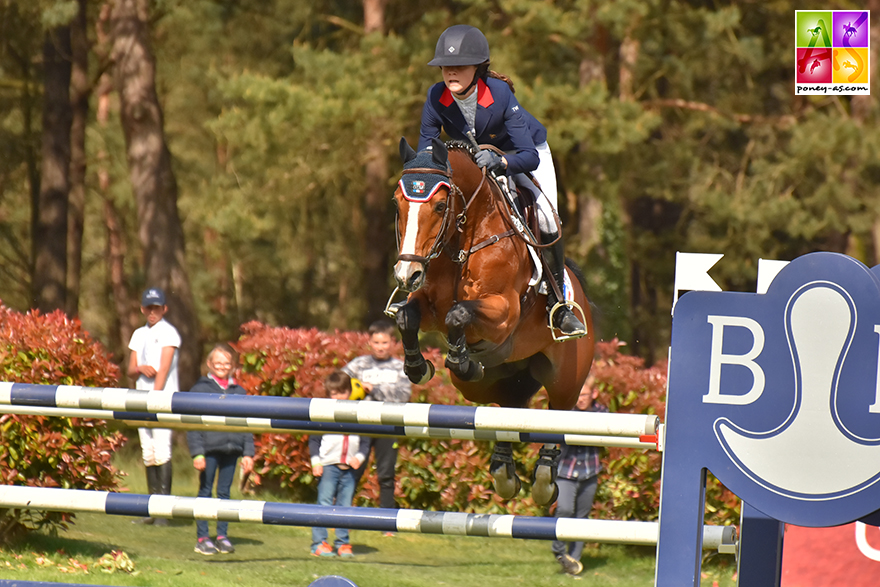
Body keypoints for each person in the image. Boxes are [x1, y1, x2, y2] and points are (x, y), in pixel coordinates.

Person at [418, 24, 586, 339]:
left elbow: (528, 156)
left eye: (460, 67)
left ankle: (558, 304)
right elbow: (427, 148)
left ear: (478, 69)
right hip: (474, 159)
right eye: (446, 67)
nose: (451, 73)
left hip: (523, 153)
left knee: (547, 218)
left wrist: (501, 161)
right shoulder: (435, 96)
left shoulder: (499, 95)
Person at [187, 343, 255, 555]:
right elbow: (192, 424)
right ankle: (203, 537)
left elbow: (246, 423)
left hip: (232, 449)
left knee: (224, 493)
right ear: (209, 364)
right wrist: (197, 452)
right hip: (208, 450)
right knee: (205, 491)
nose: (222, 366)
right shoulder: (199, 389)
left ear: (233, 366)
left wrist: (248, 452)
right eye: (217, 362)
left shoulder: (239, 391)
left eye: (226, 363)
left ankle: (222, 536)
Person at [343, 320, 411, 523]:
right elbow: (338, 383)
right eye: (376, 342)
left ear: (393, 343)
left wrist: (375, 389)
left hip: (388, 427)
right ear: (370, 342)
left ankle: (386, 522)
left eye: (385, 342)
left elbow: (403, 395)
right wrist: (354, 389)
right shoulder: (359, 364)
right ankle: (342, 517)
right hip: (361, 424)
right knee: (353, 469)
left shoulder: (401, 367)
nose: (381, 347)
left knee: (386, 475)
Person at [127, 287, 180, 526]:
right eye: (148, 307)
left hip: (162, 398)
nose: (152, 312)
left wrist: (155, 399)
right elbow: (130, 369)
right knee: (148, 451)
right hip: (141, 397)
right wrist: (140, 368)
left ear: (163, 309)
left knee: (162, 450)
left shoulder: (169, 333)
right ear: (142, 309)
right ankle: (151, 508)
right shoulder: (138, 334)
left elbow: (165, 368)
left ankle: (164, 512)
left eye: (156, 308)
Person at [309, 370, 371, 558]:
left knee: (345, 507)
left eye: (341, 392)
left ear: (349, 392)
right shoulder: (324, 414)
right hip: (328, 466)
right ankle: (319, 543)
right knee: (324, 504)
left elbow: (366, 441)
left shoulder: (357, 414)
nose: (337, 397)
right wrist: (316, 462)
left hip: (349, 469)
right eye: (333, 394)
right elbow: (314, 440)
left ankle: (343, 543)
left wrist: (359, 458)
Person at [552, 376, 606, 576]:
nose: (580, 399)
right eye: (578, 395)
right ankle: (559, 551)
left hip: (590, 473)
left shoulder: (602, 413)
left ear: (594, 394)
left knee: (581, 518)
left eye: (584, 395)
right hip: (566, 472)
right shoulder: (568, 411)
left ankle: (574, 561)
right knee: (564, 510)